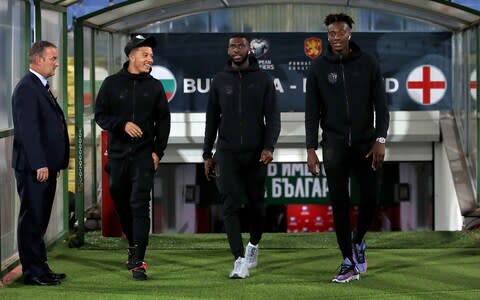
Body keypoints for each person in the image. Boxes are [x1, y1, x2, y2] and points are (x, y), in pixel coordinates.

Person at [305, 13, 389, 283]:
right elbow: (311, 113)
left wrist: (381, 139)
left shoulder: (368, 63)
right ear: (327, 36)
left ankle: (359, 241)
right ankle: (347, 262)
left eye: (340, 32)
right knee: (339, 204)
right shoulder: (318, 68)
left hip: (366, 144)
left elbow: (382, 107)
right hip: (334, 145)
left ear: (349, 34)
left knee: (371, 199)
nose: (336, 37)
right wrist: (310, 148)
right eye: (331, 33)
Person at [203, 33, 281, 279]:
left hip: (256, 152)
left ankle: (253, 245)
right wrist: (207, 153)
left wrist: (269, 147)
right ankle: (238, 259)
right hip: (227, 151)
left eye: (240, 45)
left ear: (249, 49)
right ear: (228, 51)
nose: (235, 49)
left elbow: (273, 119)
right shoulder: (219, 80)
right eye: (232, 46)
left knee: (257, 206)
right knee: (230, 204)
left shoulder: (263, 79)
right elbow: (212, 119)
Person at [95, 35, 171, 281]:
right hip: (117, 156)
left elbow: (163, 122)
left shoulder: (155, 86)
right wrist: (121, 124)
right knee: (121, 202)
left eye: (151, 55)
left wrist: (157, 152)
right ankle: (132, 245)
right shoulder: (110, 83)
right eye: (146, 55)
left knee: (140, 205)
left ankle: (139, 260)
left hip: (143, 157)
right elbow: (100, 116)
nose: (150, 59)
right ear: (132, 56)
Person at [12, 41, 69, 286]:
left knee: (40, 220)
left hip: (46, 167)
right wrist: (39, 164)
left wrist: (52, 164)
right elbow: (28, 131)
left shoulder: (39, 86)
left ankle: (40, 267)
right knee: (32, 220)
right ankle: (32, 272)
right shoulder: (27, 88)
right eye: (53, 58)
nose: (57, 63)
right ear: (37, 60)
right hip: (34, 168)